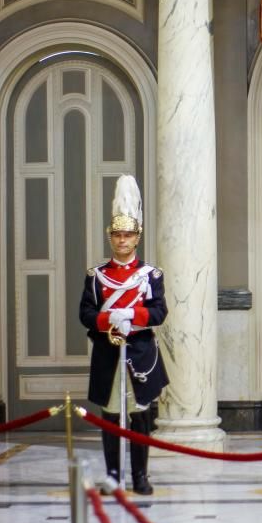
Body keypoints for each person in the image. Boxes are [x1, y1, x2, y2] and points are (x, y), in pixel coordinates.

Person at [79, 175, 169, 495]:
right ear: (110, 237)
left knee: (140, 417)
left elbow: (159, 312)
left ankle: (141, 476)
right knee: (110, 415)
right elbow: (86, 314)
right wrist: (108, 320)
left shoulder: (151, 276)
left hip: (140, 353)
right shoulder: (97, 276)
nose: (122, 241)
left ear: (137, 238)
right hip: (108, 353)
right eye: (117, 235)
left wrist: (133, 315)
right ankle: (114, 475)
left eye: (127, 235)